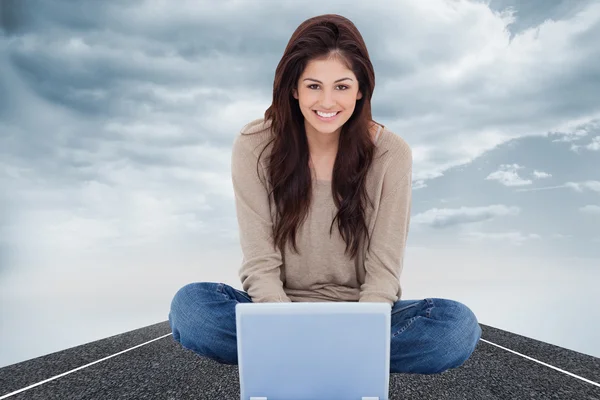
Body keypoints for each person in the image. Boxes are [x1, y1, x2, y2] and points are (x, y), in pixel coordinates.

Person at [169, 13, 482, 375]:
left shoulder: (392, 154)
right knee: (192, 308)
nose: (328, 102)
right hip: (277, 311)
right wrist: (281, 324)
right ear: (294, 88)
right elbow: (260, 262)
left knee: (455, 328)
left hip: (362, 315)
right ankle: (338, 360)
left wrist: (361, 331)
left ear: (361, 88)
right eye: (314, 86)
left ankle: (294, 358)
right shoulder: (255, 144)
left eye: (342, 86)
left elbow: (383, 272)